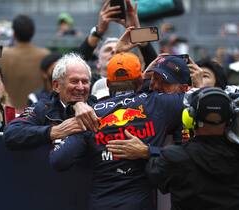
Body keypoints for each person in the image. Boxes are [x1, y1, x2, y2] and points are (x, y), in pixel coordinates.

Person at [49, 53, 187, 210]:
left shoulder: (90, 114)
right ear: (141, 82)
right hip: (140, 204)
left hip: (100, 203)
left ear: (107, 84)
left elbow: (59, 160)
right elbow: (203, 98)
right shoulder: (159, 103)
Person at [146, 87, 239, 210]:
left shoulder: (173, 157)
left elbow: (155, 176)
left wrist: (149, 151)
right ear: (231, 119)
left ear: (190, 118)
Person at [3, 53, 96, 148]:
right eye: (74, 81)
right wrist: (55, 131)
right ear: (56, 86)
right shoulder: (42, 108)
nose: (81, 87)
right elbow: (12, 132)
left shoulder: (100, 106)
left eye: (85, 82)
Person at [0, 14, 50, 110]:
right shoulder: (45, 55)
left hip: (11, 113)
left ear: (14, 33)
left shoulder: (4, 55)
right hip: (38, 112)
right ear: (33, 32)